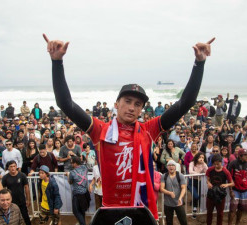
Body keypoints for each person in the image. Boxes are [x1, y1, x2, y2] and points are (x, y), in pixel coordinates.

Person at [44, 34, 214, 219]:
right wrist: (57, 62)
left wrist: (199, 64)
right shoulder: (100, 130)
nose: (132, 108)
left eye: (138, 104)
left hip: (143, 210)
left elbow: (185, 102)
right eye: (128, 101)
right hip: (111, 210)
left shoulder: (149, 130)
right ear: (116, 104)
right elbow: (65, 103)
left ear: (142, 109)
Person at [206, 154, 234, 225]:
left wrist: (226, 184)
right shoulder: (210, 170)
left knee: (220, 213)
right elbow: (207, 179)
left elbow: (232, 183)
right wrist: (208, 183)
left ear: (221, 162)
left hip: (220, 194)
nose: (216, 166)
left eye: (217, 164)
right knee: (209, 212)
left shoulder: (225, 171)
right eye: (214, 164)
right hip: (211, 193)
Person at [228, 149, 247, 225]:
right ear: (239, 156)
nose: (246, 156)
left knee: (241, 209)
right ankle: (230, 223)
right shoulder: (233, 164)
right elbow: (230, 178)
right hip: (235, 189)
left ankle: (237, 223)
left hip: (245, 190)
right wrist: (231, 190)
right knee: (233, 209)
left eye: (246, 155)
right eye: (244, 155)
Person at [2, 160, 31, 225]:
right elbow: (3, 190)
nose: (13, 168)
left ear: (16, 167)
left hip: (21, 200)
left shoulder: (22, 175)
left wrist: (28, 199)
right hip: (11, 202)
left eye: (14, 166)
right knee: (13, 218)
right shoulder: (5, 177)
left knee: (26, 216)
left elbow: (26, 188)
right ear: (8, 168)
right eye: (11, 166)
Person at [160, 160, 187, 225]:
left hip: (178, 203)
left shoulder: (180, 175)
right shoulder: (164, 176)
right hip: (168, 203)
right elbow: (161, 189)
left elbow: (183, 188)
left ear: (175, 167)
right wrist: (170, 193)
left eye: (172, 165)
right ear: (167, 167)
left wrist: (180, 198)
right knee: (169, 222)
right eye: (169, 165)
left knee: (183, 221)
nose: (171, 167)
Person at [67, 156, 90, 225]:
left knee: (76, 211)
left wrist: (68, 175)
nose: (71, 165)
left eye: (72, 163)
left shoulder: (72, 172)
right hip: (85, 193)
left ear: (75, 163)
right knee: (82, 211)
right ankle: (82, 223)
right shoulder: (85, 168)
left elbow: (70, 182)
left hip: (77, 194)